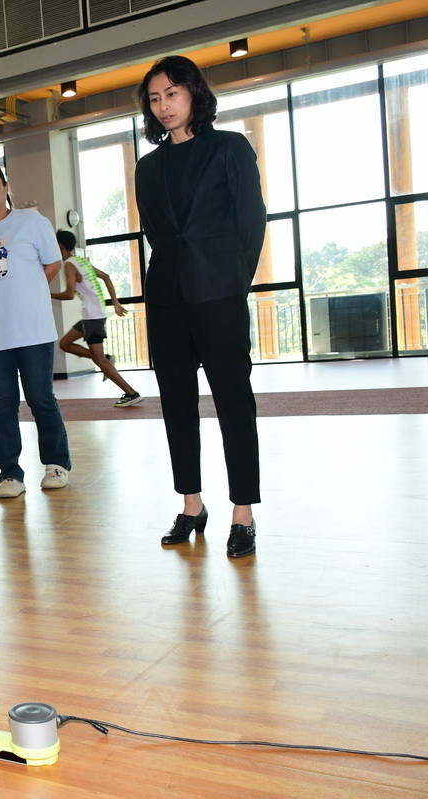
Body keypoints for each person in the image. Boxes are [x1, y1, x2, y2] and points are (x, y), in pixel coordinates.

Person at [133, 55, 267, 558]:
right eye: (155, 98)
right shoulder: (148, 167)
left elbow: (252, 220)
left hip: (220, 295)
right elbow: (157, 233)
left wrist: (233, 282)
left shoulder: (230, 147)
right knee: (176, 405)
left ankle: (243, 512)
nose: (163, 105)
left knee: (234, 402)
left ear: (194, 93)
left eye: (172, 93)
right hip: (167, 298)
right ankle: (192, 505)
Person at [0, 163, 71, 499]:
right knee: (3, 404)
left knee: (40, 398)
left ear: (6, 186)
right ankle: (10, 474)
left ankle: (56, 464)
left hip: (33, 329)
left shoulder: (32, 223)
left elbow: (53, 262)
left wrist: (29, 291)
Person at [51, 230, 142, 407]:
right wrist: (115, 303)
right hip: (91, 315)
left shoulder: (69, 265)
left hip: (93, 317)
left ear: (60, 246)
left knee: (99, 361)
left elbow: (69, 294)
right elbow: (106, 277)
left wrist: (47, 294)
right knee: (65, 344)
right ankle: (107, 357)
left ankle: (131, 393)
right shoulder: (80, 261)